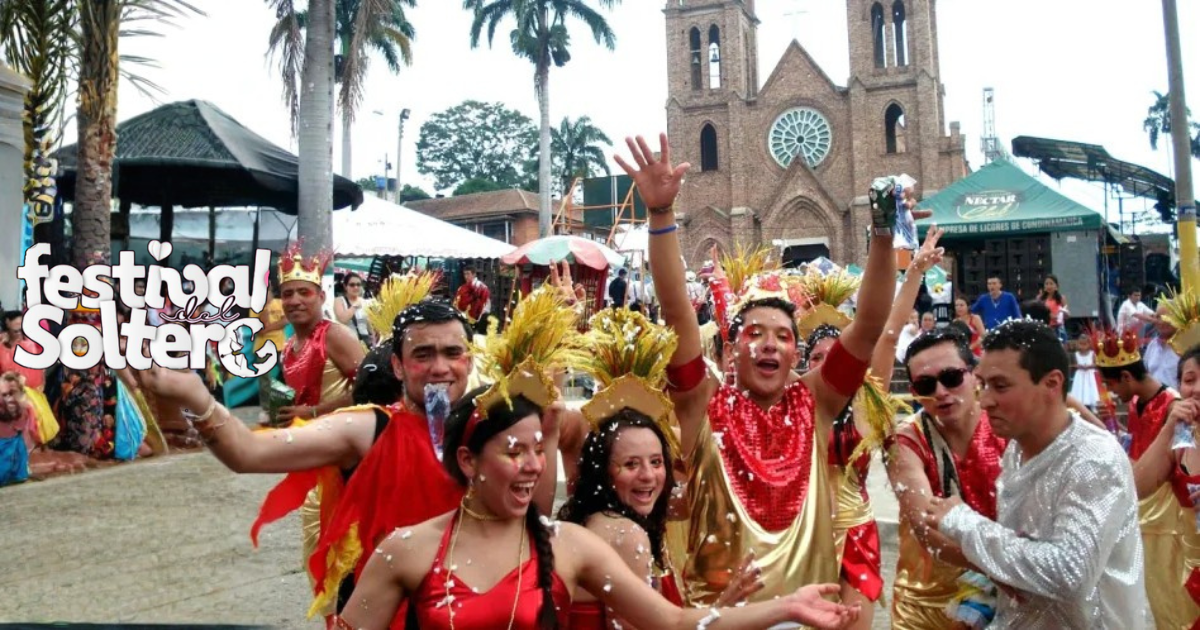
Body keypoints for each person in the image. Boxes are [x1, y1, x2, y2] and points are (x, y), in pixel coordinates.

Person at [615, 132, 906, 604]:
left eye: (783, 336)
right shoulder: (702, 406)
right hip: (719, 620)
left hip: (809, 617)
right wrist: (661, 215)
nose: (769, 344)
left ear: (796, 355)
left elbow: (870, 325)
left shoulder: (815, 404)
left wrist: (884, 232)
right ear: (730, 349)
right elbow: (675, 314)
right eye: (754, 333)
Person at [336, 386, 861, 630]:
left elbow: (674, 624)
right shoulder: (406, 550)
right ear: (470, 461)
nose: (531, 467)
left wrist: (786, 608)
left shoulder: (569, 546)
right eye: (514, 452)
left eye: (538, 452)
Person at [926, 320, 1150, 628]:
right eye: (983, 385)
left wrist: (965, 524)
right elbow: (1023, 550)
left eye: (1000, 386)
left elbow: (1069, 573)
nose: (986, 400)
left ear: (1051, 384)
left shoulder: (1092, 459)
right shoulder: (1017, 450)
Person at [559, 308, 761, 628]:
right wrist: (725, 607)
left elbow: (687, 500)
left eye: (656, 462)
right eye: (630, 465)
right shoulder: (625, 534)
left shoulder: (597, 516)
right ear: (603, 471)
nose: (648, 475)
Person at [885, 328, 1007, 628]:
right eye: (926, 384)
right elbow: (929, 532)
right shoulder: (905, 441)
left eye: (951, 377)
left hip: (1007, 598)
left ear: (974, 375)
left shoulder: (1005, 424)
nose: (940, 392)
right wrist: (1014, 566)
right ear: (914, 392)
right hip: (925, 609)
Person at [1097, 328, 1197, 627]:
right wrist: (1169, 428)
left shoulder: (1167, 402)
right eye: (1189, 380)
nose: (1196, 389)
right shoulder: (1181, 433)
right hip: (1186, 568)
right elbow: (1137, 486)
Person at [274, 244, 364, 427]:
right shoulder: (289, 345)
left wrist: (313, 412)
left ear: (321, 297)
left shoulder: (335, 335)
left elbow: (370, 389)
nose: (295, 301)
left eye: (304, 292)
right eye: (287, 294)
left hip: (340, 440)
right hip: (305, 441)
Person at [0, 372, 34, 485]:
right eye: (5, 394)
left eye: (12, 392)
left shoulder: (24, 409)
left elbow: (23, 432)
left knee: (19, 444)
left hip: (11, 444)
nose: (9, 398)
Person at [1143, 304, 1180, 390]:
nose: (1160, 321)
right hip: (1154, 401)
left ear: (1178, 319)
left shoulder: (1186, 347)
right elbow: (1146, 373)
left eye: (1165, 317)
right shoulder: (1153, 345)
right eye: (1157, 317)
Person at [334, 272, 372, 346]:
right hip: (347, 344)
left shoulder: (364, 302)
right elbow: (343, 319)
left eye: (358, 284)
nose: (356, 287)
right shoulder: (339, 301)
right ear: (345, 286)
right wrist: (355, 306)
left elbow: (369, 325)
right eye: (352, 285)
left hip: (365, 343)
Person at [453, 266, 492, 334]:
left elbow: (486, 307)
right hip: (463, 321)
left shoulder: (482, 288)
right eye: (464, 274)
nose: (466, 276)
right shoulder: (461, 288)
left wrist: (480, 319)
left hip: (478, 322)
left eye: (468, 274)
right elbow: (456, 303)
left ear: (474, 274)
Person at [1069, 333, 1100, 411]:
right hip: (1080, 374)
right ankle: (1079, 405)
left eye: (1085, 344)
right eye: (1081, 344)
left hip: (1090, 374)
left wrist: (1089, 366)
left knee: (1090, 388)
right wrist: (1079, 366)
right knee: (1079, 389)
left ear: (1089, 344)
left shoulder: (1092, 354)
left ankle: (1093, 405)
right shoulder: (1076, 354)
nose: (1083, 346)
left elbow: (1096, 364)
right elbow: (1074, 365)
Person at [1037, 274, 1069, 342]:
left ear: (1056, 286)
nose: (1049, 286)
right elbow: (1037, 313)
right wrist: (1049, 315)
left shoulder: (1061, 298)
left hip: (1059, 328)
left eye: (1051, 284)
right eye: (1046, 284)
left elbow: (1067, 315)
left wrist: (1064, 313)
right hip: (1045, 328)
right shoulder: (1040, 298)